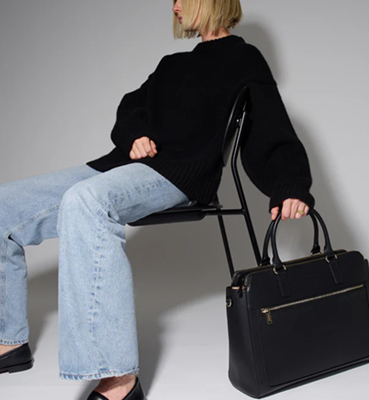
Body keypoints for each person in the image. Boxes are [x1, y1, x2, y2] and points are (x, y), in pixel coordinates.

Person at [0, 0, 315, 399]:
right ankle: (8, 341)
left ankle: (117, 377)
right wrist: (135, 136)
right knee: (4, 204)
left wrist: (289, 184)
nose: (176, 5)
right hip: (121, 168)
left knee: (87, 200)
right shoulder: (171, 64)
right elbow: (132, 106)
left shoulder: (244, 59)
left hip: (179, 175)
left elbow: (270, 126)